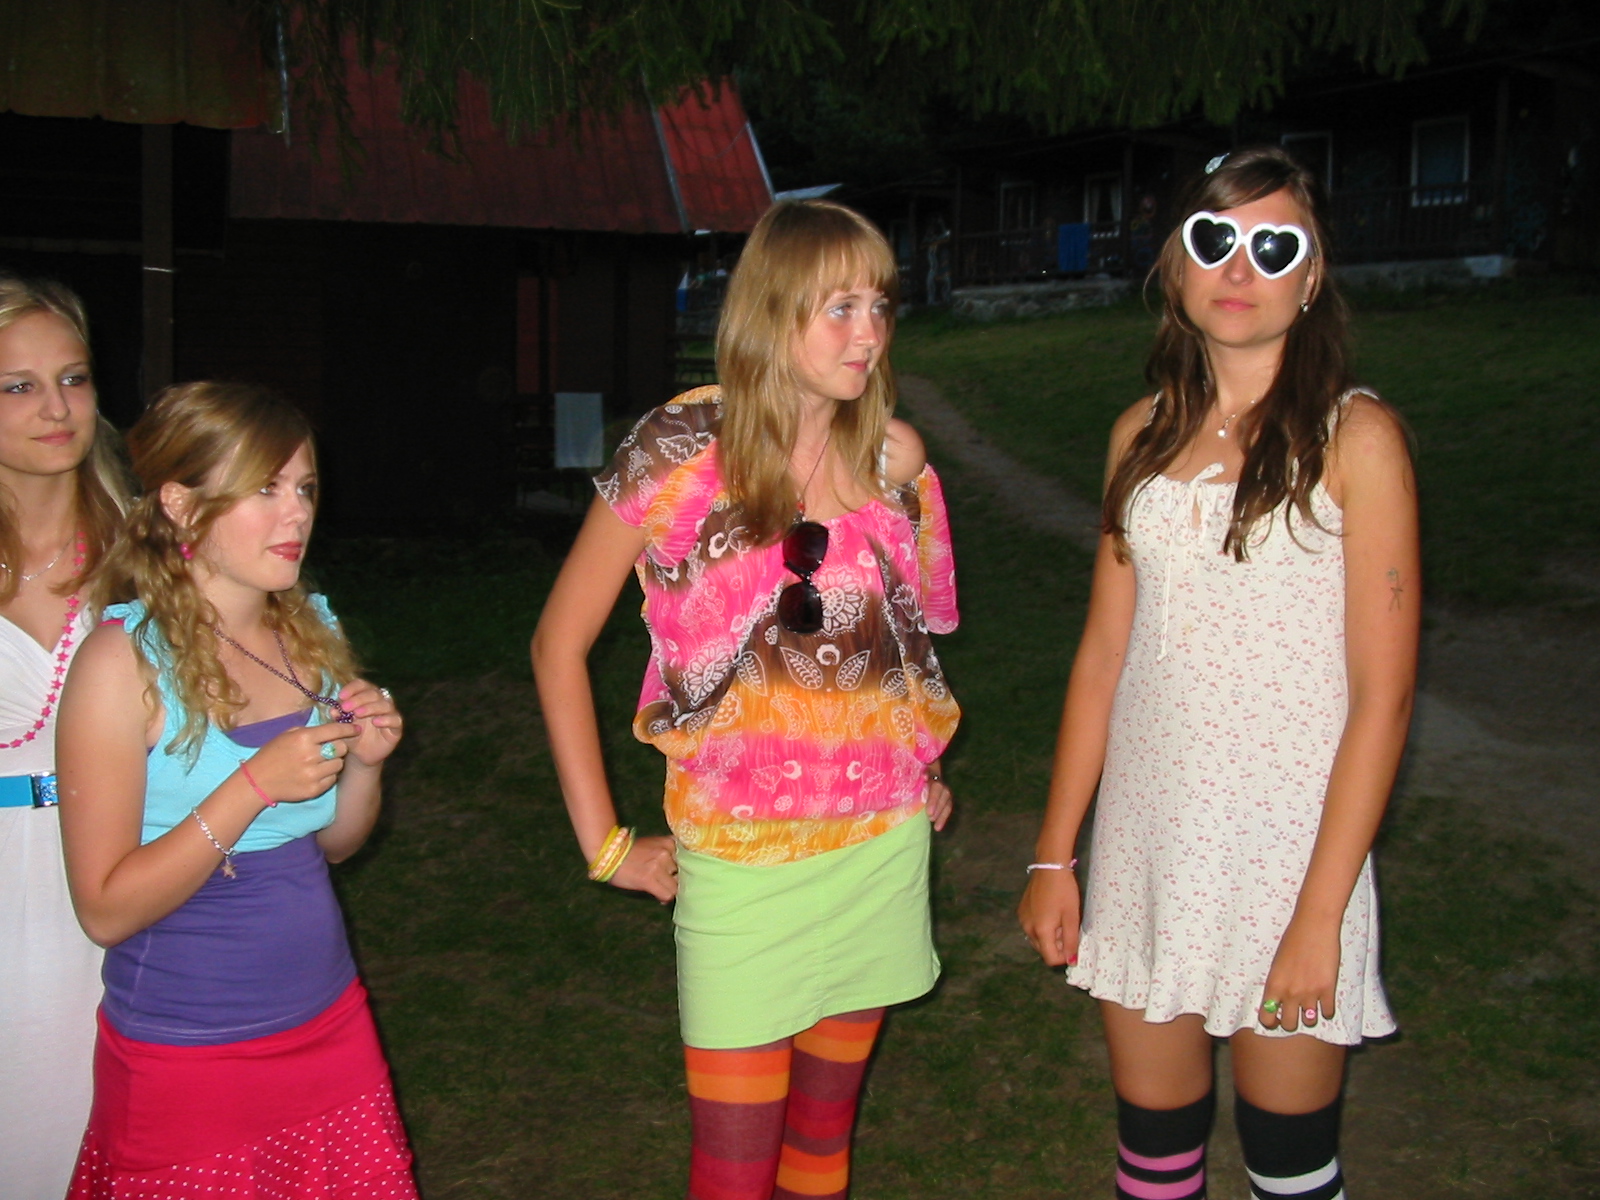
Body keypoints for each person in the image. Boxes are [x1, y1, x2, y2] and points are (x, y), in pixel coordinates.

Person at [531, 199, 960, 1200]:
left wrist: (922, 763)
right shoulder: (680, 448)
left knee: (821, 1155)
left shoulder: (892, 458)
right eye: (839, 307)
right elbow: (557, 646)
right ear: (771, 310)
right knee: (731, 1174)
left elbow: (907, 633)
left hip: (877, 848)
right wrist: (604, 845)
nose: (869, 333)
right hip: (739, 861)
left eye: (879, 306)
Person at [1018, 146, 1418, 1200]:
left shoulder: (1357, 439)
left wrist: (1320, 915)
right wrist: (1055, 855)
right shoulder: (1138, 439)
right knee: (1154, 1147)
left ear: (1310, 277)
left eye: (1274, 246)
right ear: (1175, 262)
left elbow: (1383, 700)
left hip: (1292, 855)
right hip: (1147, 842)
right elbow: (1104, 656)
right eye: (1214, 239)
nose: (1240, 268)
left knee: (1289, 1160)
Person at [55, 381, 417, 1198]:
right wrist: (251, 784)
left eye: (306, 488)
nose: (297, 515)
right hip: (190, 1052)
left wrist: (366, 765)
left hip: (330, 1024)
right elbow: (105, 910)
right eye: (266, 489)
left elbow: (333, 845)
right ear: (182, 505)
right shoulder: (121, 664)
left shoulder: (308, 632)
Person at [0, 276, 129, 1200]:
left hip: (122, 877)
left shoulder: (146, 556)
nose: (56, 408)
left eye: (72, 379)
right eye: (19, 386)